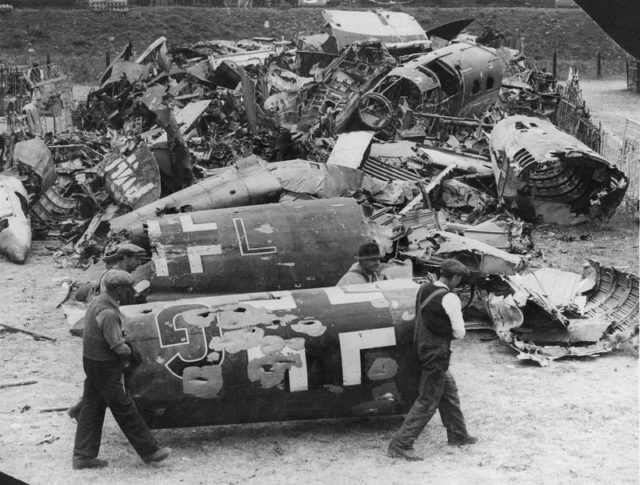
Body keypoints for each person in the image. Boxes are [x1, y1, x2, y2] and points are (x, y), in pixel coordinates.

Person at [72, 270, 171, 470]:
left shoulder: (97, 301)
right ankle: (151, 451)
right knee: (124, 407)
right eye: (127, 289)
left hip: (92, 361)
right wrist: (133, 356)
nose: (131, 293)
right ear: (118, 290)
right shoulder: (108, 313)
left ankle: (82, 455)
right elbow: (118, 347)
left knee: (93, 406)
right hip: (105, 366)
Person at [388, 259, 476, 461]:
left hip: (422, 348)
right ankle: (400, 444)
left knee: (449, 391)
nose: (459, 283)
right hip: (436, 354)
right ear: (454, 277)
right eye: (459, 279)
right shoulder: (450, 298)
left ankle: (458, 434)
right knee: (428, 399)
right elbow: (460, 333)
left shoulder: (423, 288)